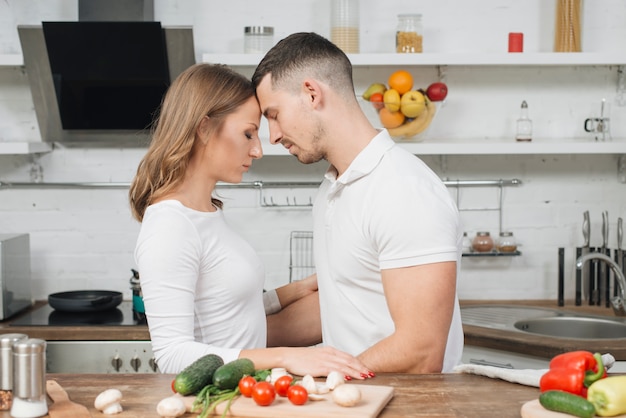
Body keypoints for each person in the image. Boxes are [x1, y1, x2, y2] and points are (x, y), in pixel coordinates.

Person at [128, 63, 371, 379]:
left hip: (246, 395)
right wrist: (286, 358)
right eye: (247, 133)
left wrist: (296, 290)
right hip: (214, 405)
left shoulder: (205, 213)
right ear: (203, 129)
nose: (257, 150)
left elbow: (228, 311)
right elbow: (172, 354)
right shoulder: (170, 227)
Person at [252, 32, 464, 373]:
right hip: (356, 401)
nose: (273, 135)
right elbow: (341, 304)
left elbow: (421, 350)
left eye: (274, 114)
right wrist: (237, 344)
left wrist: (323, 382)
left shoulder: (402, 189)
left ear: (311, 93)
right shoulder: (334, 187)